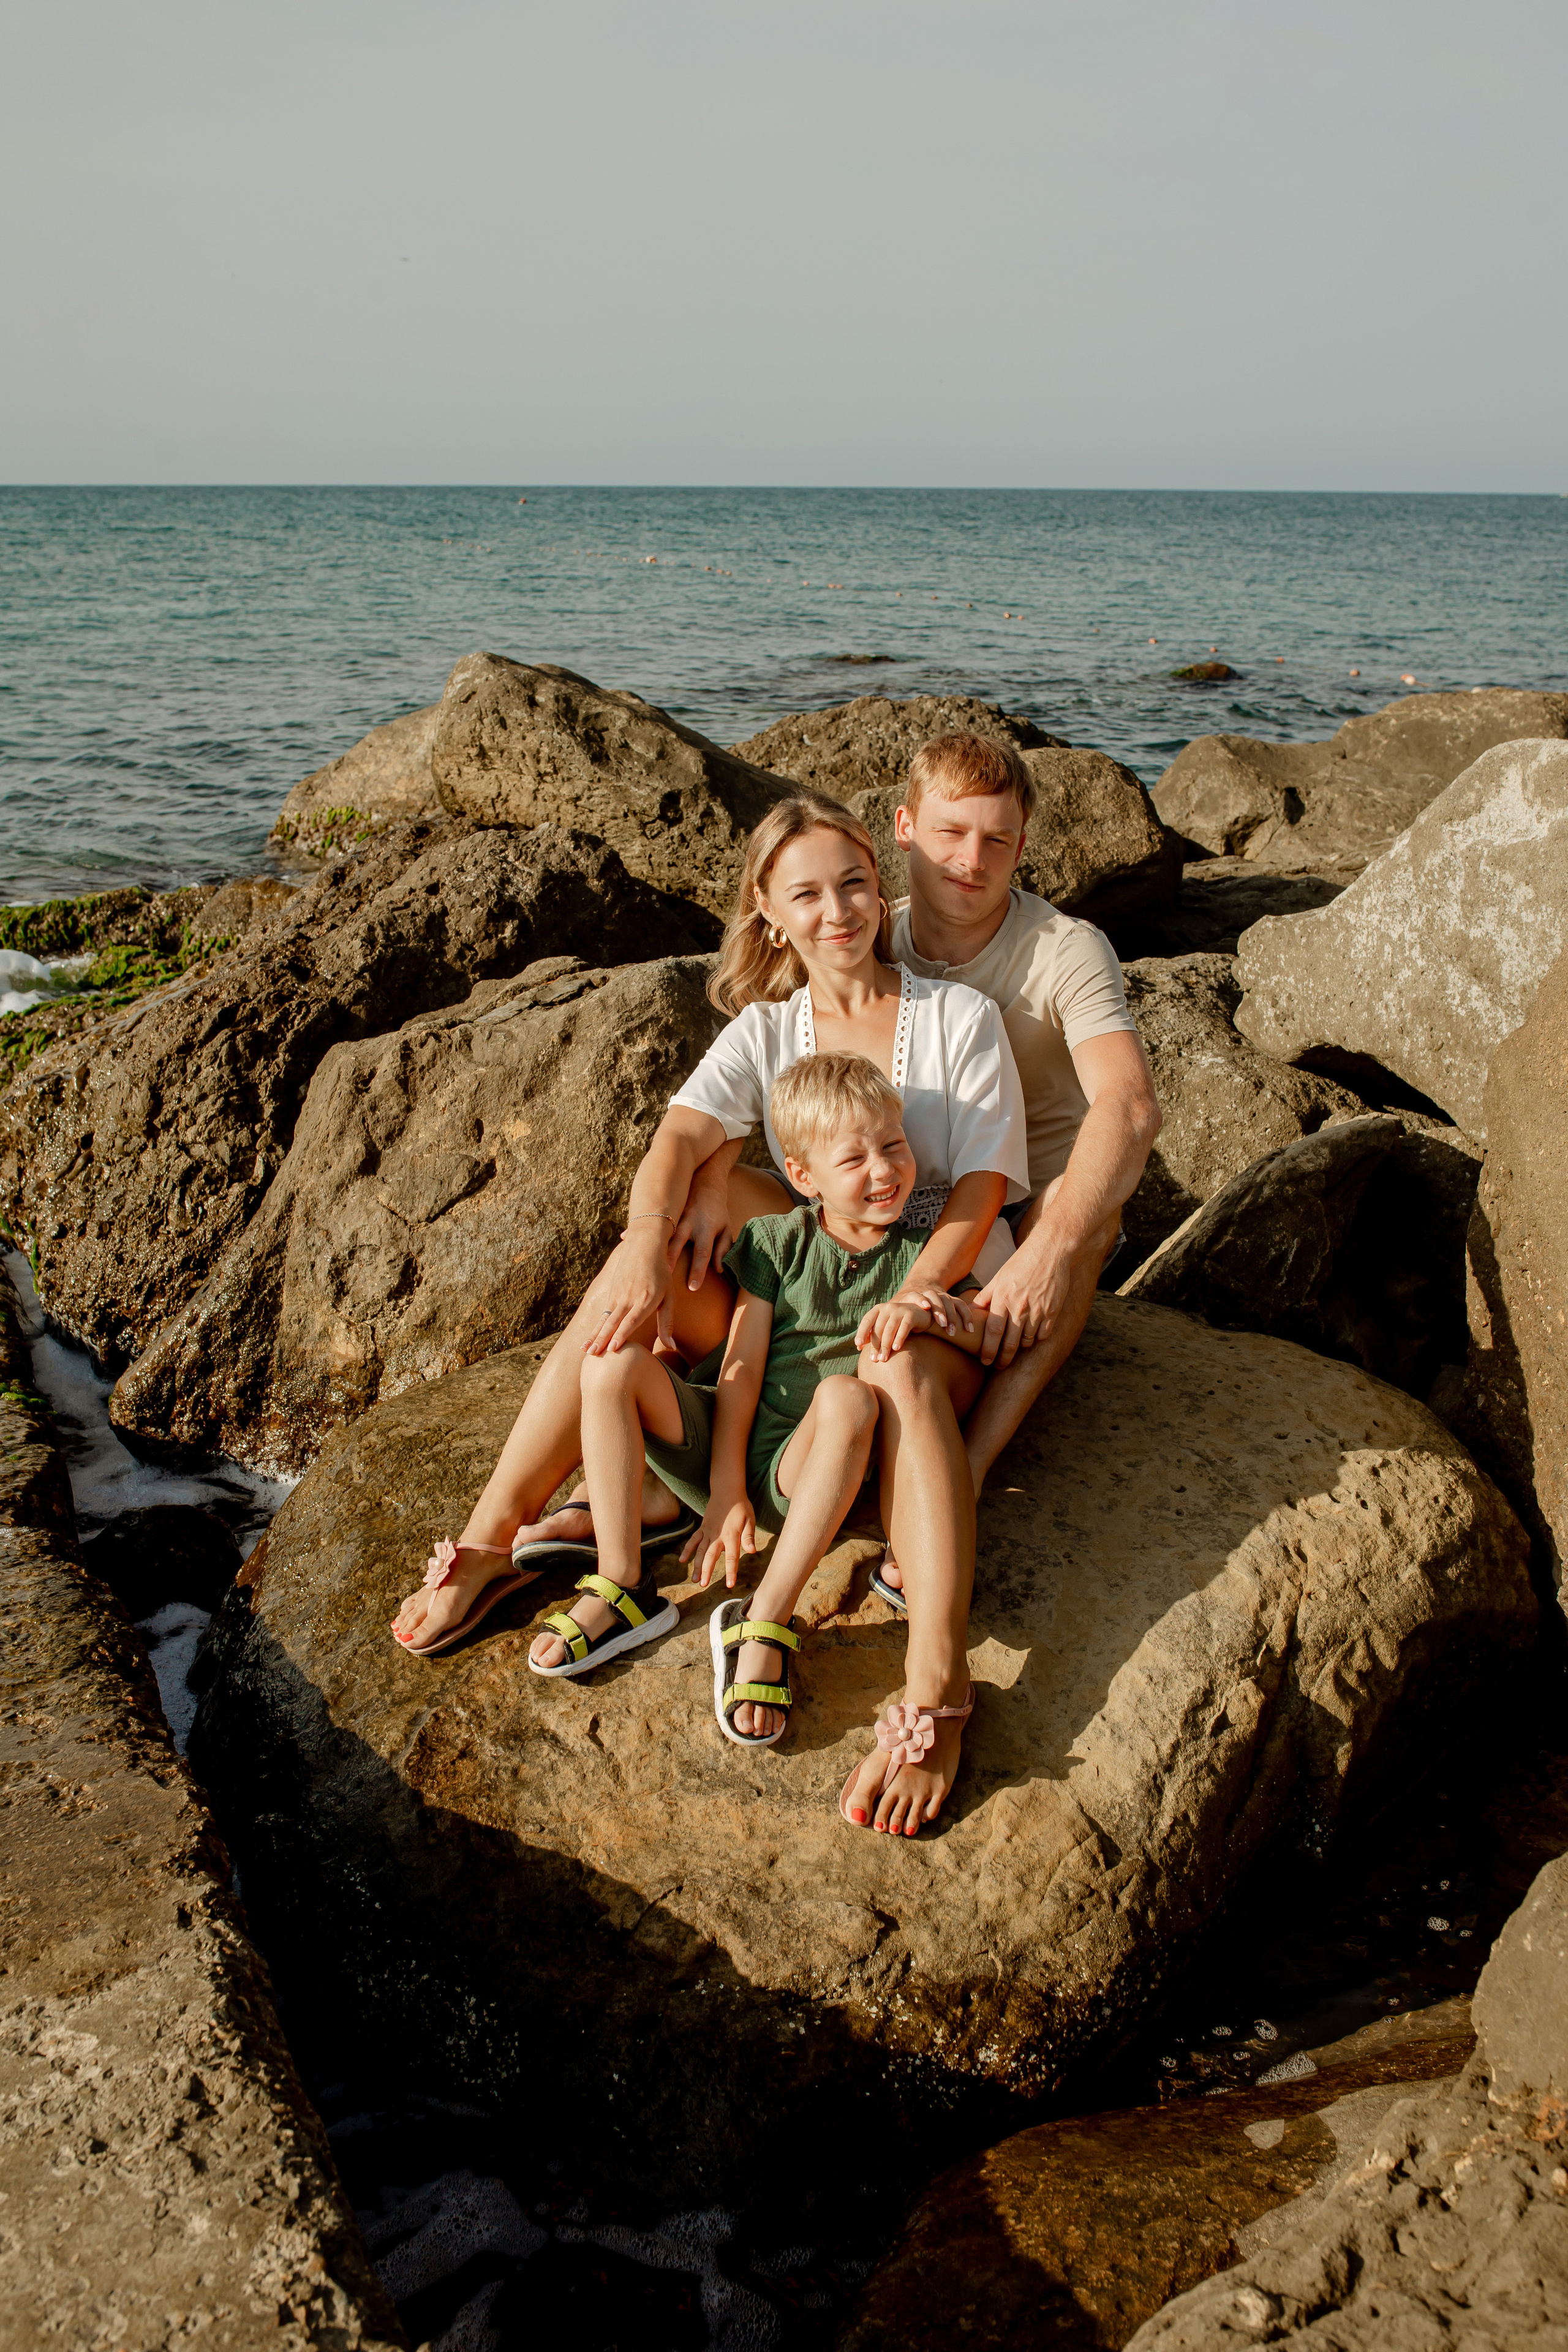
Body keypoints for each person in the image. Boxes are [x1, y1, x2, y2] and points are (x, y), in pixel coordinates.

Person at [390, 788, 1029, 1670]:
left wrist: (922, 1294)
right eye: (806, 894)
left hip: (932, 1285)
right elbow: (676, 1139)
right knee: (630, 1286)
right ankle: (494, 1539)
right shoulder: (768, 1031)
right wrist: (647, 1242)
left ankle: (662, 1492)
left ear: (882, 889)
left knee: (809, 1289)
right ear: (768, 912)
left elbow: (984, 1190)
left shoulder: (961, 1018)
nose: (836, 911)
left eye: (853, 884)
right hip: (814, 1270)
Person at [870, 731, 1162, 1603]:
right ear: (906, 828)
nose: (973, 859)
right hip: (912, 1195)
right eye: (952, 832)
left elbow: (1130, 1105)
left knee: (1088, 1210)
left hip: (1031, 1203)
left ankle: (963, 1473)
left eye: (998, 839)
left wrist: (1050, 1248)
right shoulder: (869, 936)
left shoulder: (1064, 948)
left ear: (1023, 846)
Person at [679, 1052, 992, 1838]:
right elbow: (740, 1374)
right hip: (791, 1453)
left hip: (860, 1462)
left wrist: (944, 1314)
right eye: (853, 1158)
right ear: (803, 1174)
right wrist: (727, 1489)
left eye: (893, 1145)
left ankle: (919, 1671)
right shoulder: (779, 1244)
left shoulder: (917, 1251)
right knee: (847, 1395)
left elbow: (982, 1333)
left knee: (860, 1392)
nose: (883, 1170)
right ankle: (764, 1619)